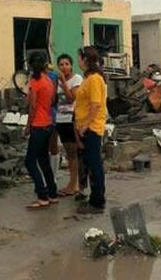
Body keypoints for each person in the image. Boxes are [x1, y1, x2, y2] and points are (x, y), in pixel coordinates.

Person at [74, 46, 107, 214]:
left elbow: (95, 104)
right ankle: (95, 197)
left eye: (79, 58)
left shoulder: (94, 79)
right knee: (91, 163)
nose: (78, 61)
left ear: (86, 59)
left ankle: (97, 201)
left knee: (94, 165)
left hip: (92, 128)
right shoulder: (88, 79)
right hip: (86, 127)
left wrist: (86, 124)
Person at [25, 52, 58, 209]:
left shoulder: (34, 83)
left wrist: (27, 127)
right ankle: (52, 193)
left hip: (38, 125)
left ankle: (42, 194)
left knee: (30, 162)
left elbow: (32, 107)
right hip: (48, 123)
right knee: (44, 160)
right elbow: (52, 102)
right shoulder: (48, 81)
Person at [54, 54, 83, 197]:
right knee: (69, 153)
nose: (64, 67)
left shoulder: (76, 79)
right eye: (61, 64)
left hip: (71, 119)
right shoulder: (57, 82)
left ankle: (74, 183)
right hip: (60, 119)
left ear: (71, 65)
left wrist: (64, 82)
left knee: (74, 152)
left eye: (67, 64)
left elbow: (72, 98)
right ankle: (72, 182)